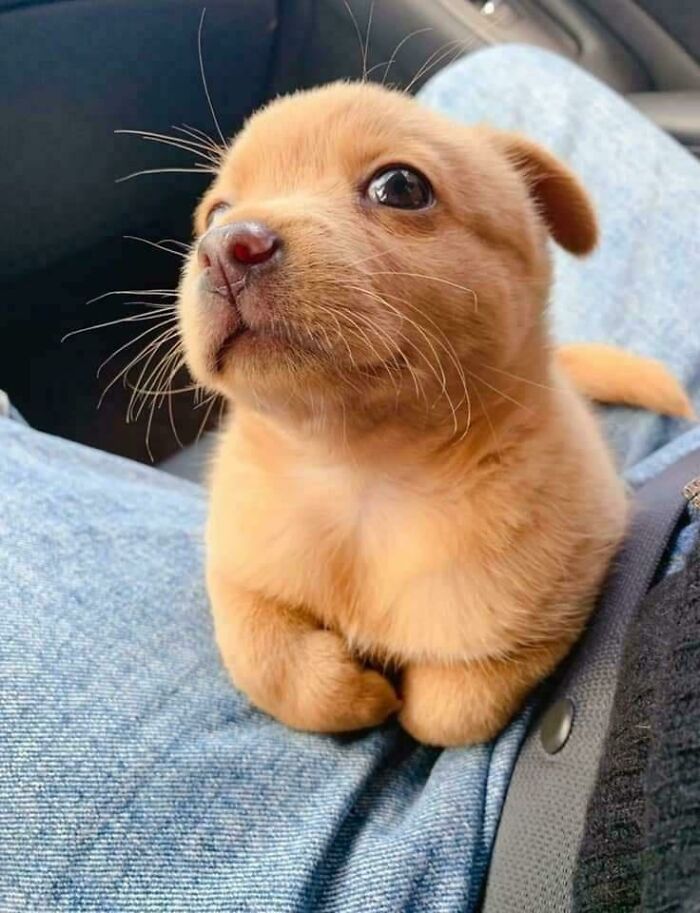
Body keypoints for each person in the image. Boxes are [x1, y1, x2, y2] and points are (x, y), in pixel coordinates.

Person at [1, 45, 699, 913]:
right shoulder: (251, 515)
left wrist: (460, 704)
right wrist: (273, 663)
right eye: (223, 208)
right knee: (507, 68)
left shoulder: (554, 544)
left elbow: (526, 629)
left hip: (553, 815)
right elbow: (241, 589)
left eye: (397, 189)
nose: (235, 242)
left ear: (533, 250)